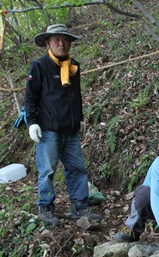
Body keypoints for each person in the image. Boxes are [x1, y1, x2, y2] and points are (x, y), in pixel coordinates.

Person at [24, 24, 102, 226]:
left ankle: (80, 206)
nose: (61, 43)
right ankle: (45, 208)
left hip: (71, 129)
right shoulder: (39, 66)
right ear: (47, 43)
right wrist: (32, 123)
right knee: (47, 170)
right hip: (48, 129)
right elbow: (30, 97)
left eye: (65, 39)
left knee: (77, 168)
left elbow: (76, 97)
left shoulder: (73, 66)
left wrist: (80, 118)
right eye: (56, 39)